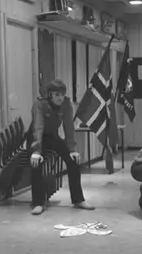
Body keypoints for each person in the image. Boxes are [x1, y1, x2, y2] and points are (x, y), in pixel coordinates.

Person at [27, 79, 95, 215]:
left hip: (52, 136)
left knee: (73, 161)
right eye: (56, 95)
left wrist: (72, 150)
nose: (60, 98)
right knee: (36, 163)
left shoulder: (66, 104)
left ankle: (78, 200)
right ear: (50, 95)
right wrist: (36, 151)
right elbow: (38, 126)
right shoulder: (40, 104)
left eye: (62, 94)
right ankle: (38, 202)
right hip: (36, 137)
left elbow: (69, 126)